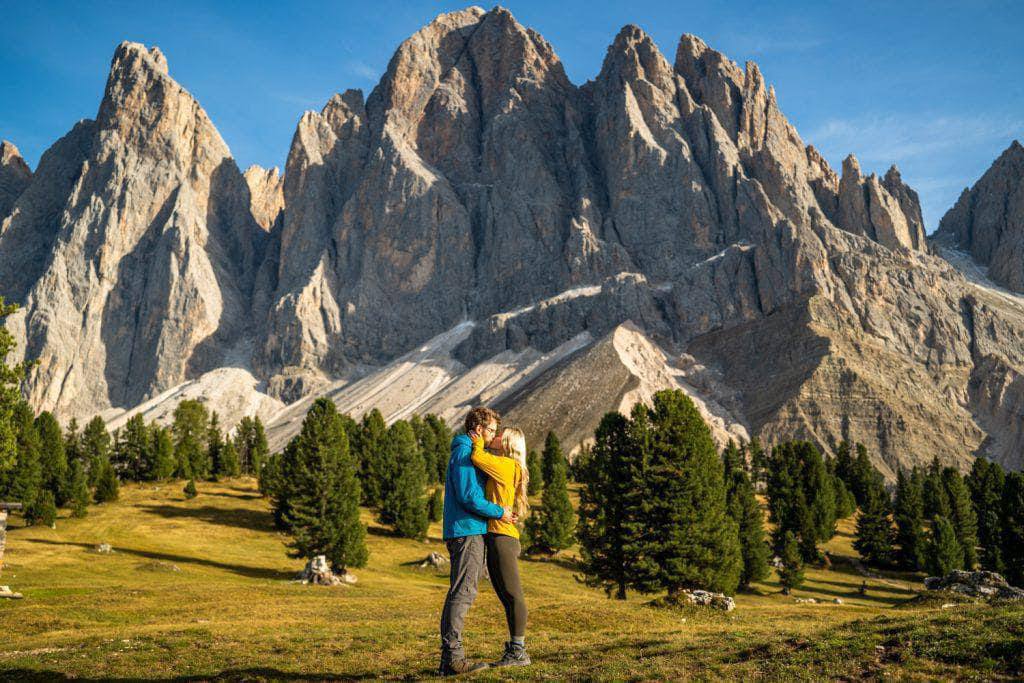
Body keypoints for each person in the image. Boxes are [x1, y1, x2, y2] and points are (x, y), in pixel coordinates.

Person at [438, 407, 517, 676]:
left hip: (468, 529)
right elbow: (469, 496)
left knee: (463, 590)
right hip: (466, 530)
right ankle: (453, 659)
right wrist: (500, 512)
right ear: (479, 429)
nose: (494, 436)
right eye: (492, 430)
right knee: (463, 592)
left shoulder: (469, 451)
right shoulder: (464, 451)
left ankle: (450, 657)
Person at [470, 426, 531, 667]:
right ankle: (516, 650)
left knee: (513, 595)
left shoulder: (505, 464)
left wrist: (477, 442)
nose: (493, 437)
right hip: (503, 535)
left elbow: (477, 458)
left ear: (506, 443)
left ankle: (519, 652)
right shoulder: (512, 466)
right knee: (507, 595)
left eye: (498, 435)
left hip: (501, 537)